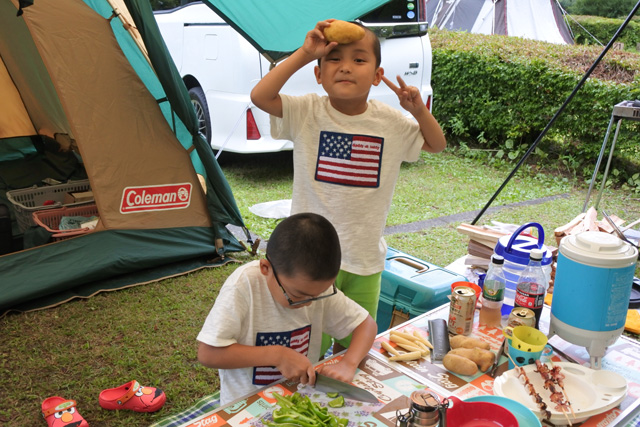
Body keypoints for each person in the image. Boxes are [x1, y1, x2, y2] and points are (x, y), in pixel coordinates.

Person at [250, 20, 446, 354]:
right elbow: (260, 96)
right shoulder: (306, 110)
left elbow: (436, 143)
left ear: (376, 74)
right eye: (333, 59)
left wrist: (417, 111)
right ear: (318, 74)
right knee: (307, 348)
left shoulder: (392, 123)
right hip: (308, 260)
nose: (345, 67)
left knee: (355, 347)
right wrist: (305, 53)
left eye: (359, 59)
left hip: (364, 258)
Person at [197, 212, 378, 405]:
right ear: (266, 268)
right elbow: (208, 353)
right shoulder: (243, 286)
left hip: (299, 400)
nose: (309, 303)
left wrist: (349, 363)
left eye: (318, 295)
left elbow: (366, 325)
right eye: (298, 296)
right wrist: (277, 355)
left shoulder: (312, 288)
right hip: (246, 405)